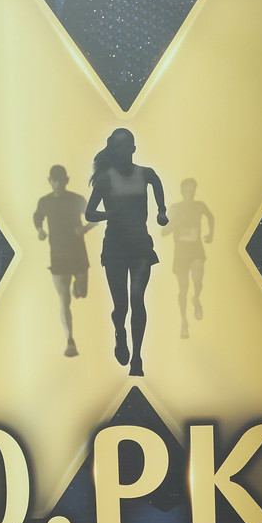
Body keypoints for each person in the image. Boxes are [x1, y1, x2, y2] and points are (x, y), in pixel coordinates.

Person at [85, 128, 167, 377]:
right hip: (115, 249)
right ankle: (120, 333)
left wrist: (161, 210)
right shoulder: (105, 180)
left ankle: (137, 358)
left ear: (133, 148)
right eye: (117, 147)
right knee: (121, 306)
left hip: (140, 245)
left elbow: (156, 182)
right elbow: (89, 213)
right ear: (113, 150)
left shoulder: (145, 173)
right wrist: (109, 214)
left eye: (126, 145)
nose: (122, 151)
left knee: (137, 300)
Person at [33, 165, 90, 358]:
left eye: (60, 180)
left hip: (78, 253)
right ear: (49, 181)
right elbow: (37, 217)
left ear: (66, 180)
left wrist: (85, 228)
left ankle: (77, 289)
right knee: (64, 299)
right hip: (58, 256)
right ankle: (70, 341)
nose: (57, 184)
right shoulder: (45, 202)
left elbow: (96, 216)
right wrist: (40, 230)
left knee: (82, 293)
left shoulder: (76, 199)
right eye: (54, 180)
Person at [161, 178, 214, 337]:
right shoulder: (175, 208)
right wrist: (176, 222)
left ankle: (196, 298)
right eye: (187, 189)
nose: (190, 192)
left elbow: (210, 217)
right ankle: (184, 322)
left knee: (197, 280)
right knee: (183, 289)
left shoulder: (199, 205)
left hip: (196, 250)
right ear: (182, 191)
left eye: (192, 189)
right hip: (181, 254)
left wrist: (211, 234)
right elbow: (164, 231)